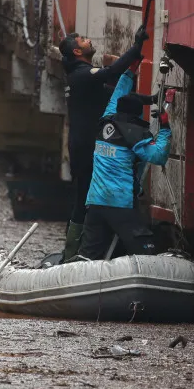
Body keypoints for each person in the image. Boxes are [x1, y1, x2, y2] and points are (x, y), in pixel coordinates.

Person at [58, 27, 156, 260]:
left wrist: (151, 99)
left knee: (91, 197)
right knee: (84, 198)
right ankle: (72, 252)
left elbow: (119, 96)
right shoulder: (81, 75)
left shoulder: (84, 79)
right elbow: (112, 71)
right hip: (86, 149)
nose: (89, 39)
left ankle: (95, 249)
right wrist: (135, 47)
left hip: (88, 146)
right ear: (77, 50)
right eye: (83, 39)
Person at [71, 63, 172, 261]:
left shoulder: (105, 122)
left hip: (95, 202)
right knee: (146, 252)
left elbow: (118, 94)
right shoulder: (135, 135)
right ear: (137, 115)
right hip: (120, 203)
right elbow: (158, 156)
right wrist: (165, 125)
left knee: (88, 256)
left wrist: (131, 68)